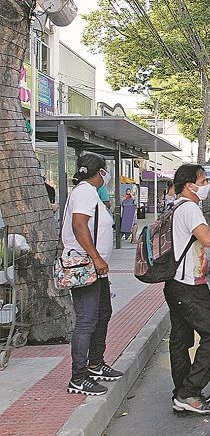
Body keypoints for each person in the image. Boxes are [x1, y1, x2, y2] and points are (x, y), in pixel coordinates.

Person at [165, 164, 210, 414]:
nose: (206, 185)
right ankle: (189, 391)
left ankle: (182, 392)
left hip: (174, 284)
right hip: (189, 287)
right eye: (203, 180)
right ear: (189, 185)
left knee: (180, 339)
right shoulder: (190, 208)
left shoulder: (174, 207)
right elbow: (206, 238)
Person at [63, 153, 123, 396]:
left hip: (96, 267)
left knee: (102, 313)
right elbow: (79, 224)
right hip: (86, 265)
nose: (105, 176)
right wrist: (96, 257)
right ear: (100, 172)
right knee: (87, 320)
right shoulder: (86, 191)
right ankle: (78, 378)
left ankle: (96, 364)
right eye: (105, 171)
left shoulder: (87, 192)